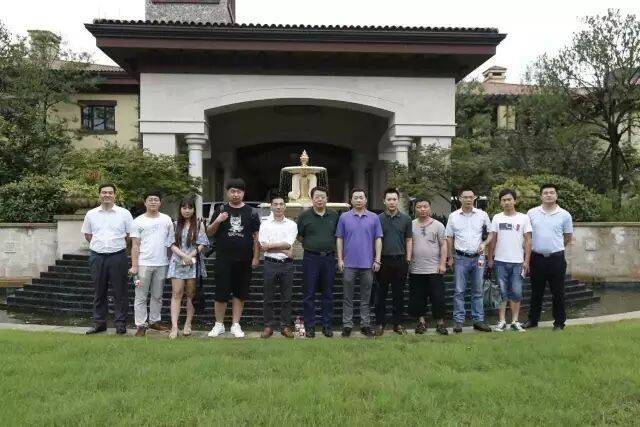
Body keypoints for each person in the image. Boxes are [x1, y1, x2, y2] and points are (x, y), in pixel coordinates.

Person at [206, 178, 260, 338]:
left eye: (239, 191)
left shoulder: (251, 212)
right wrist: (218, 220)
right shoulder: (221, 209)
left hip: (244, 259)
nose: (236, 194)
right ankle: (219, 324)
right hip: (223, 258)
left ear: (243, 193)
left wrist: (256, 257)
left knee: (240, 293)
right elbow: (209, 232)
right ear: (227, 192)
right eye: (233, 191)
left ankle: (236, 324)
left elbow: (256, 237)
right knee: (221, 292)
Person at [81, 183, 134, 335]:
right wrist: (99, 246)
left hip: (117, 256)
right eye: (104, 192)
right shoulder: (91, 214)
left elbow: (129, 235)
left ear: (115, 195)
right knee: (99, 291)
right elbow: (88, 234)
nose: (107, 195)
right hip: (97, 256)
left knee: (120, 292)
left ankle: (120, 324)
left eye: (110, 192)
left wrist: (116, 245)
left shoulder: (124, 213)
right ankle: (99, 323)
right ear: (99, 195)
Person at [524, 184, 573, 331]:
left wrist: (555, 247)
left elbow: (568, 236)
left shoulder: (565, 215)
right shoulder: (531, 213)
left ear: (556, 196)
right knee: (536, 292)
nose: (549, 195)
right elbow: (527, 235)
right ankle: (533, 320)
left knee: (558, 292)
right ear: (541, 196)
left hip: (556, 259)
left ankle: (559, 323)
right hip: (537, 258)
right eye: (545, 193)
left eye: (552, 192)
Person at [336, 188, 383, 338]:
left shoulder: (374, 217)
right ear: (351, 200)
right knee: (347, 297)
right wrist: (340, 259)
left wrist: (377, 260)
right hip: (349, 263)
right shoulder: (344, 217)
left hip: (368, 264)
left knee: (366, 297)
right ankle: (347, 325)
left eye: (361, 197)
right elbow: (339, 238)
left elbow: (378, 239)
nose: (358, 200)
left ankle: (365, 325)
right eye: (355, 197)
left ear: (366, 200)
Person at [445, 189, 493, 333]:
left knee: (478, 290)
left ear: (474, 198)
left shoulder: (482, 215)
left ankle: (478, 320)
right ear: (460, 198)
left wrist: (484, 243)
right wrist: (450, 256)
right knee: (459, 291)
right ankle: (458, 321)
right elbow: (449, 237)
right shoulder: (453, 216)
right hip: (460, 258)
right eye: (465, 197)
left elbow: (491, 233)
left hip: (478, 257)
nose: (468, 199)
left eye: (471, 197)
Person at [129, 191, 175, 337]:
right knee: (140, 296)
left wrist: (171, 262)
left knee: (157, 295)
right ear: (145, 202)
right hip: (143, 263)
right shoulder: (138, 221)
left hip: (162, 263)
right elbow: (135, 245)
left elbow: (171, 243)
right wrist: (134, 265)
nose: (153, 202)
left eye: (156, 200)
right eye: (150, 200)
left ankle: (154, 321)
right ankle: (140, 325)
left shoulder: (167, 220)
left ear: (160, 202)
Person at [297, 186, 340, 338]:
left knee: (328, 293)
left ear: (327, 198)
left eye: (323, 196)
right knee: (309, 293)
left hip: (329, 258)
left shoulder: (334, 215)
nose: (320, 199)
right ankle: (310, 327)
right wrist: (311, 245)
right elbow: (300, 236)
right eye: (317, 197)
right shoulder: (305, 216)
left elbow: (338, 236)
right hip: (311, 258)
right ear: (312, 198)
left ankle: (327, 326)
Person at [486, 189, 532, 332]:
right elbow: (493, 239)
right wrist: (490, 258)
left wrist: (526, 261)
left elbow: (528, 240)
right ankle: (501, 321)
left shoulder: (523, 218)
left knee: (516, 292)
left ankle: (515, 321)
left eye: (509, 199)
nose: (507, 202)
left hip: (518, 262)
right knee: (502, 292)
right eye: (504, 200)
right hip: (500, 261)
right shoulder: (497, 218)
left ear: (515, 201)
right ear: (501, 202)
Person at [167, 197, 209, 339]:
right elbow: (171, 244)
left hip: (193, 263)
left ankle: (188, 324)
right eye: (184, 208)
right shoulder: (174, 224)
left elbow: (202, 244)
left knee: (191, 295)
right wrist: (183, 255)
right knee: (176, 294)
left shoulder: (199, 224)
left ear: (194, 210)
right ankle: (174, 327)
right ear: (180, 209)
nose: (187, 210)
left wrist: (190, 255)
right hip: (177, 262)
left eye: (190, 208)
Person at [258, 195, 298, 338]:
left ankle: (285, 326)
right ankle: (268, 326)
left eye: (281, 204)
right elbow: (263, 245)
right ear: (271, 206)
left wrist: (271, 247)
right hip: (270, 263)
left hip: (286, 264)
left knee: (286, 298)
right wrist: (283, 249)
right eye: (276, 204)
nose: (279, 207)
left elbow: (288, 243)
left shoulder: (291, 224)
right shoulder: (265, 224)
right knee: (268, 297)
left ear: (285, 207)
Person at [375, 188, 412, 336]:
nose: (392, 202)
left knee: (399, 295)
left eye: (394, 199)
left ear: (398, 200)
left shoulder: (406, 219)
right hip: (383, 261)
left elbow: (409, 240)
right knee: (381, 294)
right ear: (384, 201)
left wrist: (408, 259)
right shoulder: (378, 219)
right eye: (389, 199)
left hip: (400, 260)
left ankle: (398, 324)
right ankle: (380, 324)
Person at [408, 197, 449, 335]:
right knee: (418, 298)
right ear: (415, 208)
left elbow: (443, 245)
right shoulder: (411, 224)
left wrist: (442, 264)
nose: (422, 209)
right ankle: (421, 323)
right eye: (419, 207)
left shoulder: (438, 225)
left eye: (425, 206)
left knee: (438, 298)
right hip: (416, 269)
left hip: (434, 269)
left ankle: (440, 324)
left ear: (430, 208)